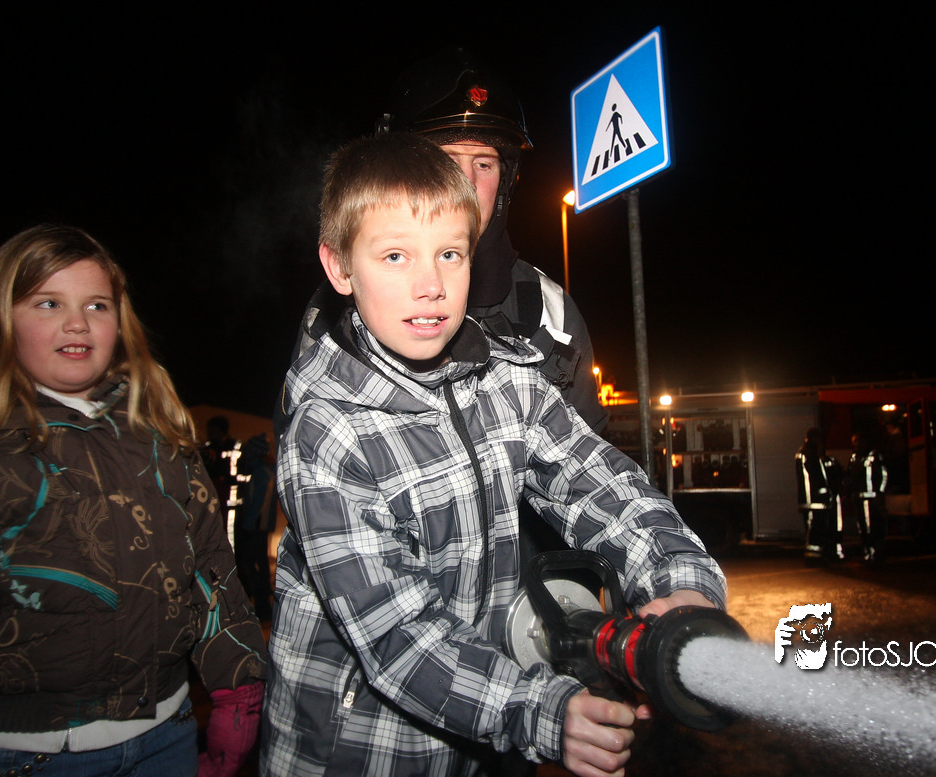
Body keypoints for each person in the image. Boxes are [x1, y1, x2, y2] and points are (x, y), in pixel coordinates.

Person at [262, 134, 726, 777]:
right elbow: (397, 636)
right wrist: (538, 711)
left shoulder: (509, 381)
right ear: (340, 268)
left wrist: (681, 583)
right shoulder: (327, 430)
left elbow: (601, 486)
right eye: (395, 255)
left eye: (449, 254)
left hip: (470, 747)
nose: (430, 285)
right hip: (353, 754)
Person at [0, 225, 268, 777]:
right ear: (1, 318)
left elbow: (210, 567)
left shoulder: (158, 434)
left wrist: (238, 684)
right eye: (49, 303)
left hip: (166, 735)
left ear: (119, 323)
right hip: (18, 754)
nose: (77, 322)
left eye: (96, 305)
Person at [274, 47, 606, 440]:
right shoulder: (339, 307)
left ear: (506, 181)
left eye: (484, 163)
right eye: (445, 160)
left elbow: (588, 453)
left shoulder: (551, 311)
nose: (466, 182)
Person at [235, 433, 276, 622]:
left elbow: (260, 501)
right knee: (260, 563)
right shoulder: (266, 472)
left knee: (249, 561)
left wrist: (248, 523)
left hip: (256, 526)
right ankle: (263, 603)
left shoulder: (261, 473)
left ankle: (261, 602)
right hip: (261, 525)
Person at [795, 428, 841, 564]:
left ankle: (816, 556)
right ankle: (813, 557)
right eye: (819, 439)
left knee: (815, 529)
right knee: (815, 529)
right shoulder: (810, 454)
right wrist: (824, 492)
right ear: (814, 438)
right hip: (814, 501)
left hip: (812, 501)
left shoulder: (805, 453)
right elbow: (817, 477)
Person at [847, 432, 889, 564]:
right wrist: (848, 493)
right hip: (858, 499)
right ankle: (868, 552)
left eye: (857, 441)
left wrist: (880, 493)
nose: (855, 444)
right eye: (854, 442)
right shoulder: (854, 458)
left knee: (873, 527)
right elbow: (850, 477)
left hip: (872, 499)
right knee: (863, 528)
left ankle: (876, 553)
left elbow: (884, 474)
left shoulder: (874, 456)